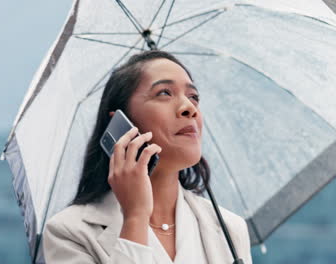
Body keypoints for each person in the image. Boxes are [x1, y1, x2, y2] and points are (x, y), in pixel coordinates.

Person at [42, 50, 252, 263]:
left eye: (193, 97)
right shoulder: (69, 233)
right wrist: (135, 217)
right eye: (164, 93)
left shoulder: (230, 229)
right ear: (122, 125)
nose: (189, 108)